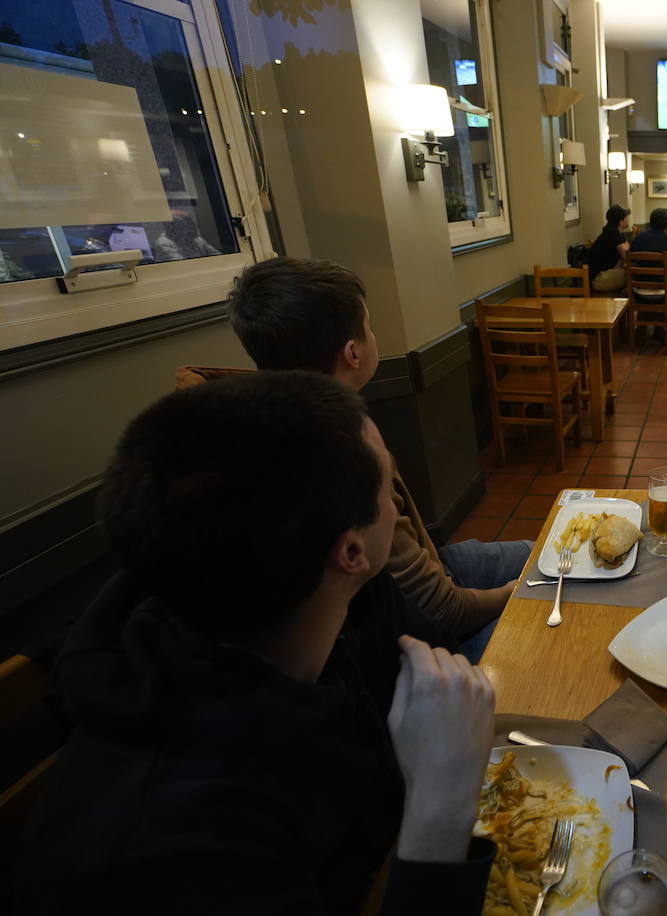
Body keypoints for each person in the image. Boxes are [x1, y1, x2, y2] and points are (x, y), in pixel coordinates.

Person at [17, 371, 497, 913]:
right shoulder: (172, 854)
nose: (397, 507)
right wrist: (441, 810)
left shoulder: (344, 597)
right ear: (352, 549)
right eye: (388, 486)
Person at [210, 257, 527, 663]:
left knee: (553, 549)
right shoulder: (339, 456)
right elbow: (439, 610)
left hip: (436, 571)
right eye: (370, 325)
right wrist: (515, 593)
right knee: (561, 615)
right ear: (353, 353)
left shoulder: (266, 425)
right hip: (416, 635)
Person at [588, 204, 631, 292]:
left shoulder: (611, 231)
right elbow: (629, 257)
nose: (628, 219)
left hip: (596, 276)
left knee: (629, 271)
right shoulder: (613, 234)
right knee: (633, 274)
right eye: (626, 217)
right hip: (599, 279)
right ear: (621, 221)